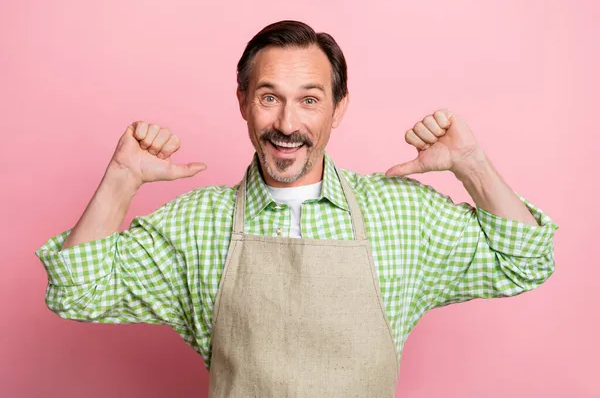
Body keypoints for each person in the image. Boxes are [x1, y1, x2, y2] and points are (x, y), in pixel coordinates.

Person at [35, 20, 559, 397]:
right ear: (242, 102)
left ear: (339, 108)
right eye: (269, 97)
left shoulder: (404, 215)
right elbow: (78, 293)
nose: (287, 122)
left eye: (309, 99)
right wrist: (121, 180)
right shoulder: (196, 223)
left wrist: (472, 165)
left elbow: (525, 260)